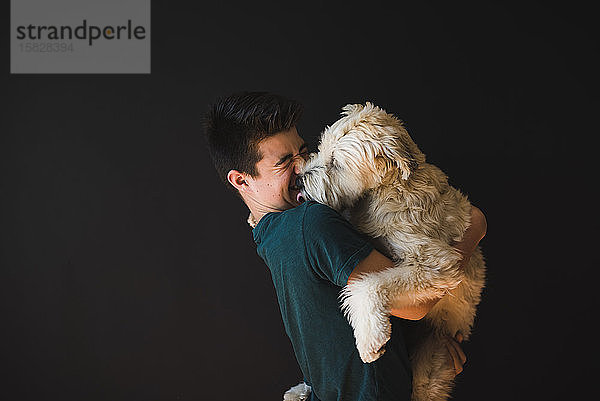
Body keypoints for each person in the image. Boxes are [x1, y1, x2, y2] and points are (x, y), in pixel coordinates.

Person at [203, 91, 487, 401]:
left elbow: (324, 331)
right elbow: (416, 306)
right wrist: (473, 226)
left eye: (302, 151)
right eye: (284, 162)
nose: (303, 167)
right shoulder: (310, 223)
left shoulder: (268, 235)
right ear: (241, 181)